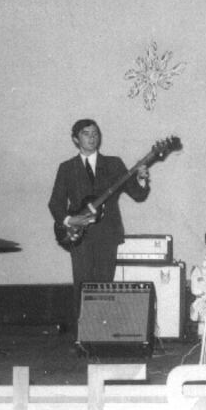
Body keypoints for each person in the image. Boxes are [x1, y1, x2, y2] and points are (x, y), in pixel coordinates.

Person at [48, 119, 150, 340]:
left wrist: (141, 178)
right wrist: (70, 220)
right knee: (82, 287)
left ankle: (102, 338)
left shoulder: (114, 164)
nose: (92, 137)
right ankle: (82, 338)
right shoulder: (67, 168)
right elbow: (55, 203)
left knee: (105, 287)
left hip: (107, 235)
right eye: (86, 134)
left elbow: (138, 194)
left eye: (95, 133)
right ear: (76, 139)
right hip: (79, 238)